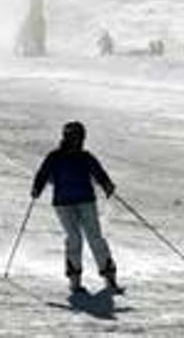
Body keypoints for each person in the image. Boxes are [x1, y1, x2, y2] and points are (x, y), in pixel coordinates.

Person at [30, 122, 121, 293]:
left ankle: (109, 276)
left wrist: (106, 184)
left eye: (79, 137)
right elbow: (43, 173)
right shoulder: (55, 157)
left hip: (85, 200)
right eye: (73, 137)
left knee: (94, 237)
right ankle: (75, 280)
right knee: (74, 238)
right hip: (64, 203)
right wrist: (37, 188)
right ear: (66, 137)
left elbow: (98, 172)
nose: (76, 141)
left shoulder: (85, 157)